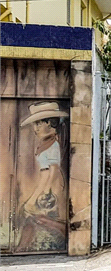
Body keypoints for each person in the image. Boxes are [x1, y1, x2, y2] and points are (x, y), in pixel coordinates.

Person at [16, 101, 69, 252]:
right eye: (35, 124)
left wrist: (39, 195)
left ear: (51, 123)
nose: (35, 128)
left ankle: (22, 248)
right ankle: (22, 247)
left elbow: (51, 173)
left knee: (34, 217)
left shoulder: (52, 146)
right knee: (34, 219)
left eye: (39, 123)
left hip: (50, 191)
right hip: (48, 190)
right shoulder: (47, 144)